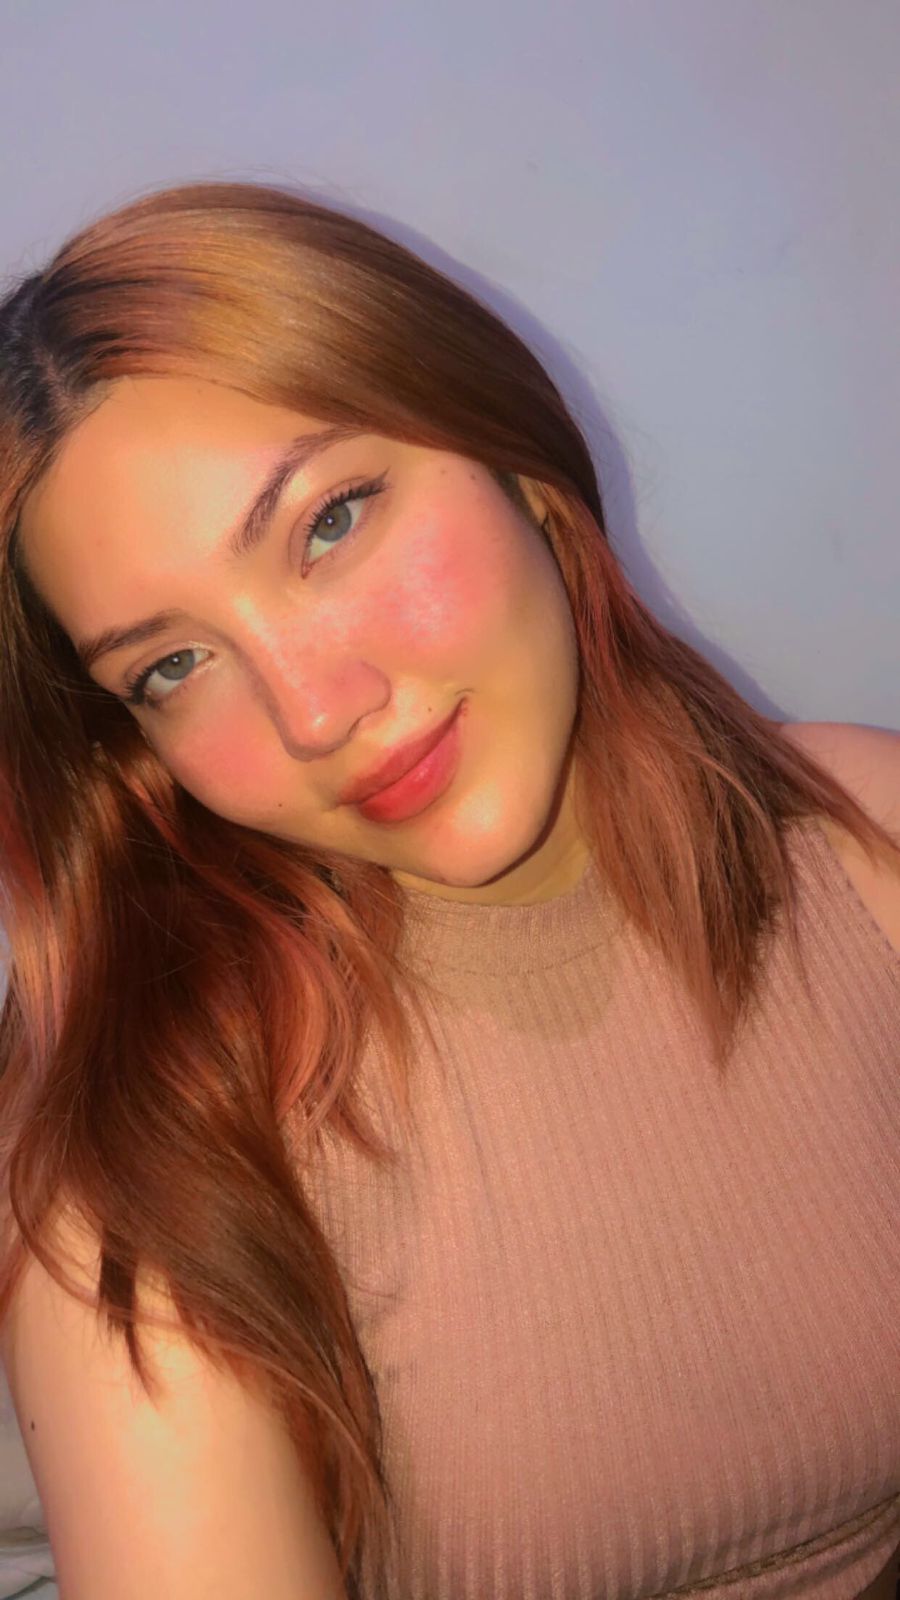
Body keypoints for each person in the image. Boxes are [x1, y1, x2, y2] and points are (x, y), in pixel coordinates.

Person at [0, 180, 898, 1600]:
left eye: (330, 522)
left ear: (510, 453)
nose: (316, 713)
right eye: (172, 665)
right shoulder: (151, 1150)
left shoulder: (866, 841)